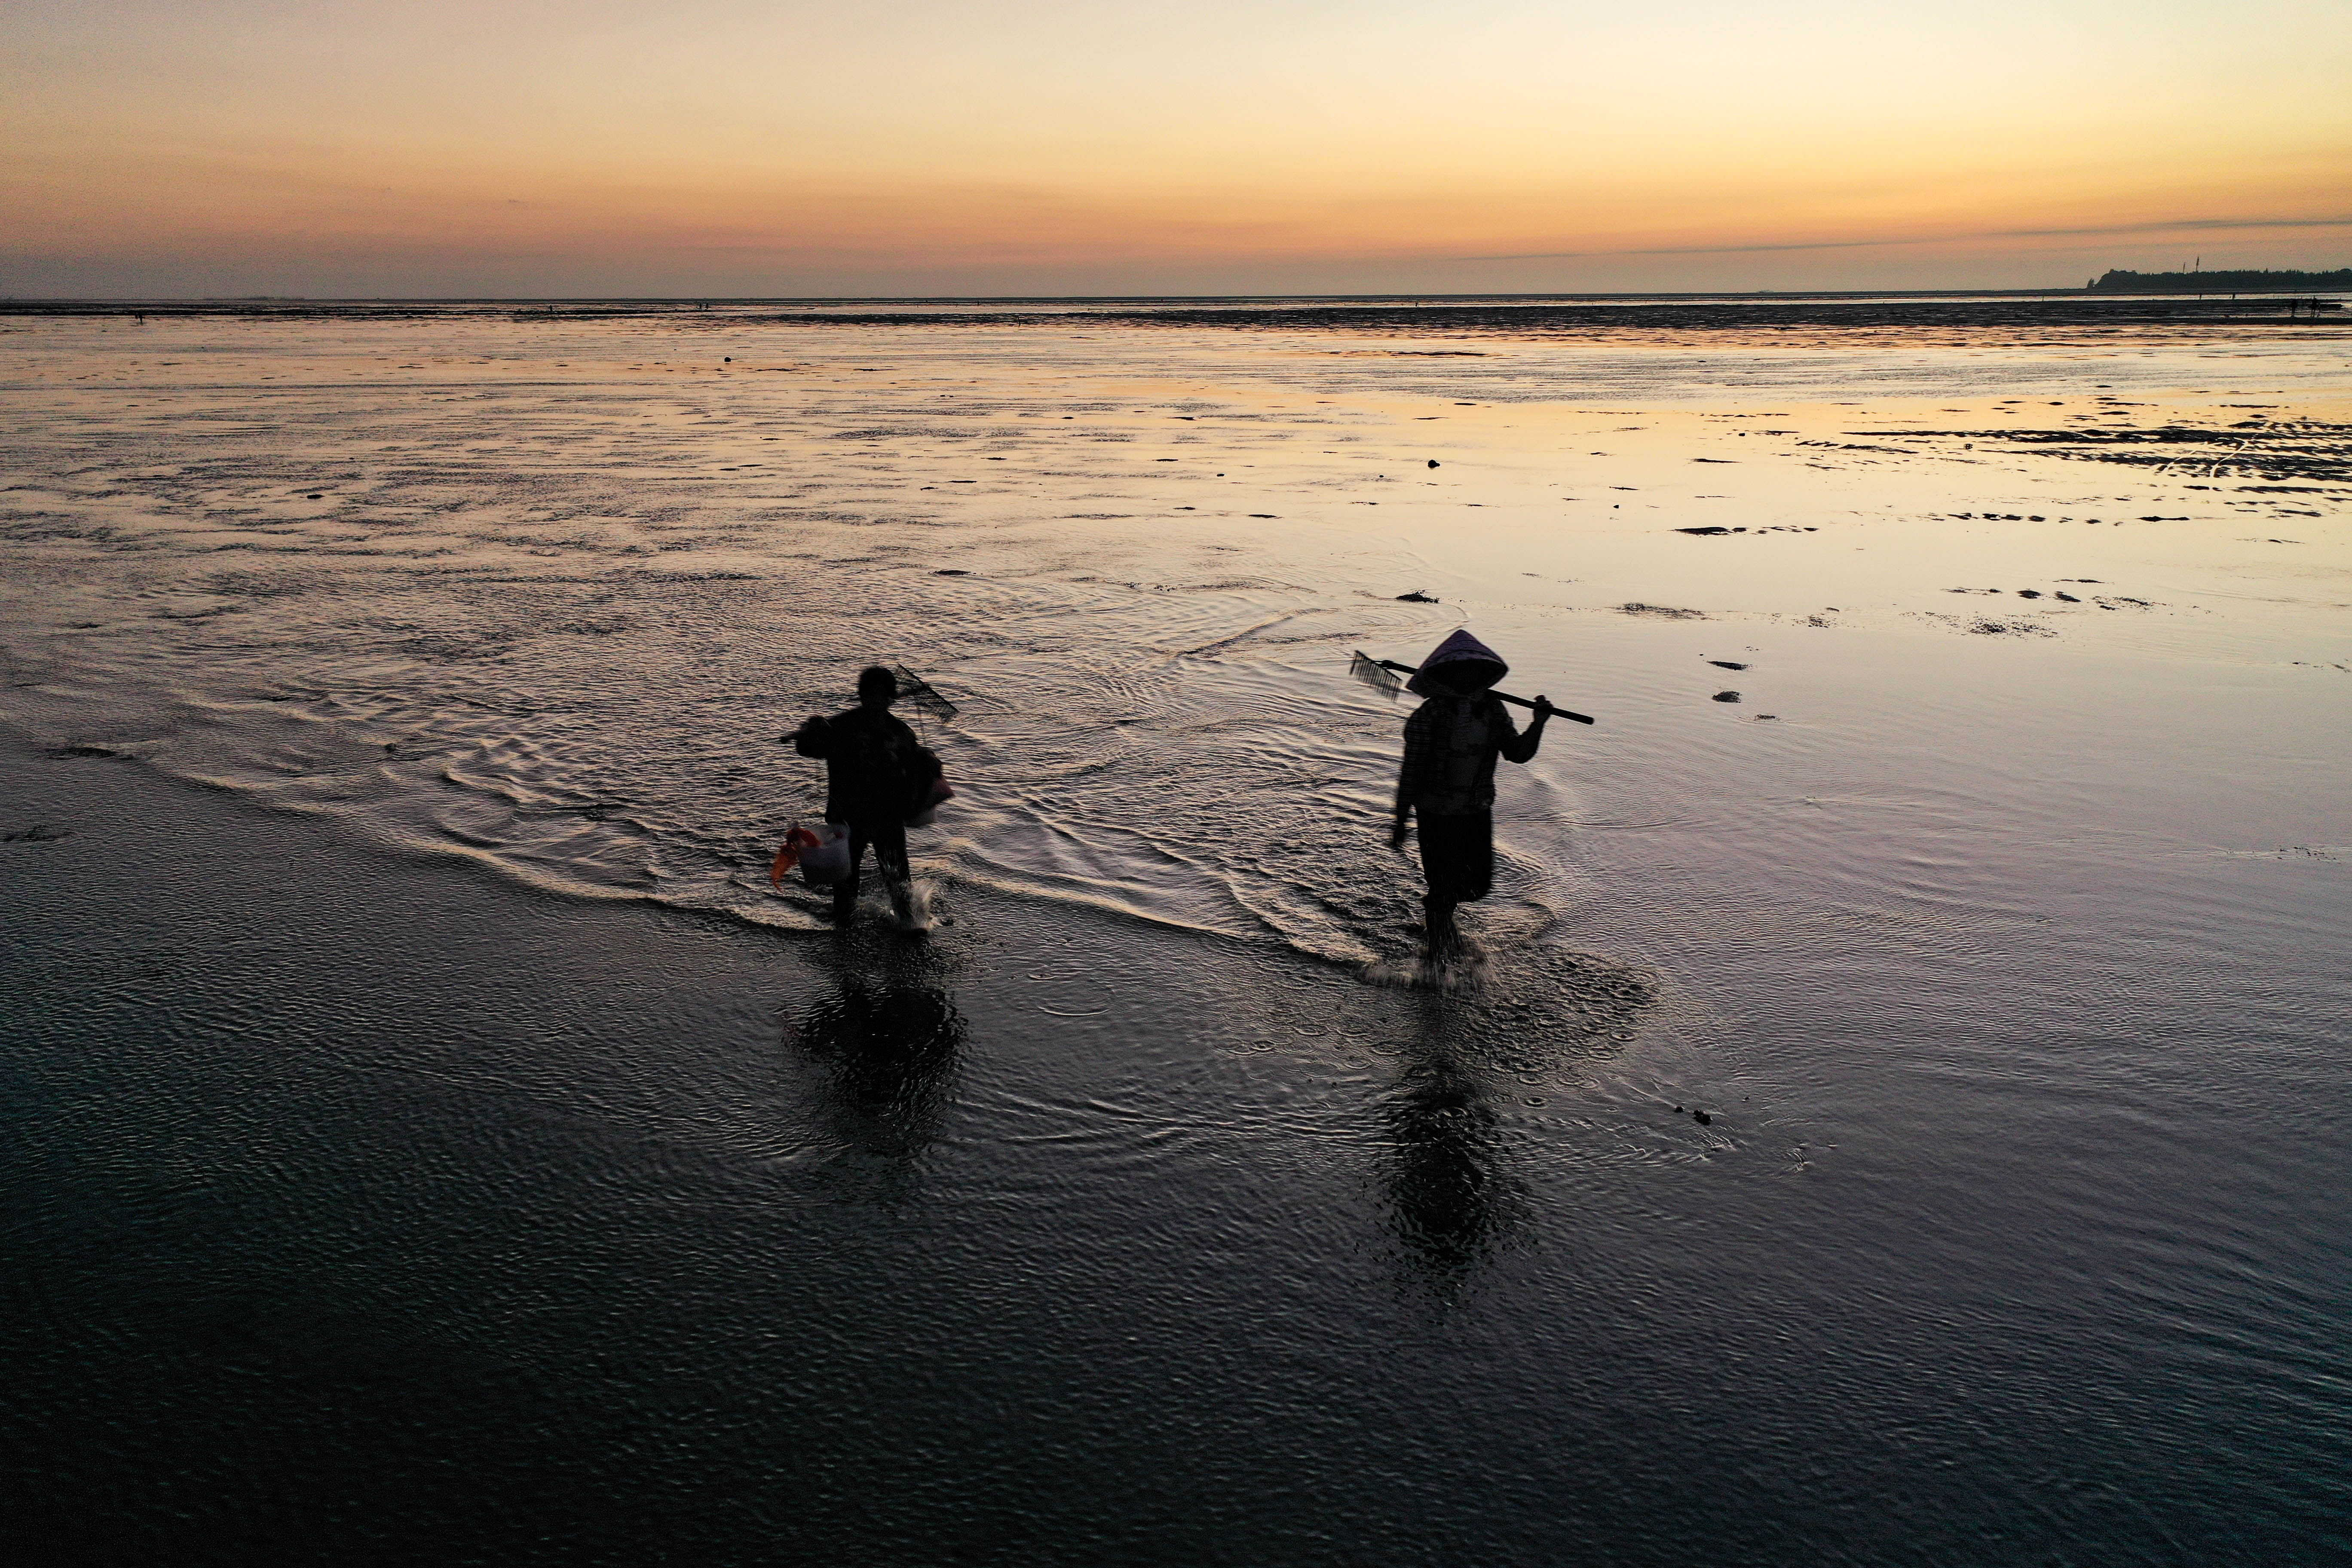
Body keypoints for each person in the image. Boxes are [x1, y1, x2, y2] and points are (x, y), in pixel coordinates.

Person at [1389, 629, 1554, 952]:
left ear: (1483, 675)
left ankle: (1439, 922)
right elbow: (1411, 773)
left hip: (1476, 809)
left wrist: (1538, 723)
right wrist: (1400, 821)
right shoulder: (1429, 716)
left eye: (1474, 671)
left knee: (1477, 887)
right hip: (1435, 812)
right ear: (1446, 676)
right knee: (1443, 886)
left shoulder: (1493, 711)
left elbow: (1518, 754)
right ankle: (1438, 952)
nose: (1468, 677)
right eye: (1460, 671)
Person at [788, 665, 936, 927]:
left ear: (891, 698)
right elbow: (805, 748)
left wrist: (929, 763)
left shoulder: (901, 734)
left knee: (900, 885)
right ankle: (843, 929)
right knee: (845, 887)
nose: (876, 702)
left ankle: (911, 928)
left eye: (882, 696)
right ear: (861, 696)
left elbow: (919, 773)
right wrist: (811, 730)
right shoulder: (839, 729)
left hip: (887, 819)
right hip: (847, 821)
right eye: (871, 695)